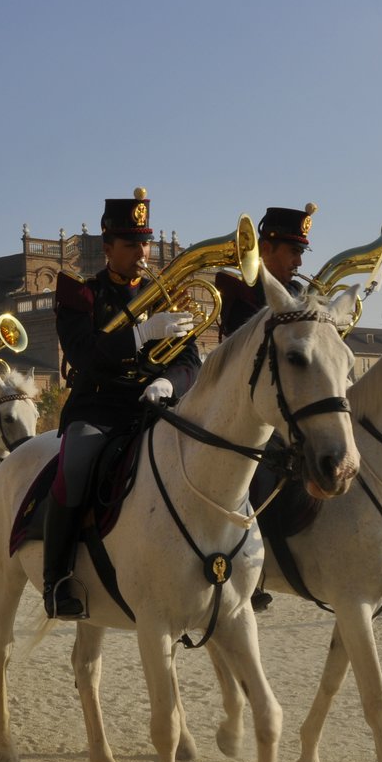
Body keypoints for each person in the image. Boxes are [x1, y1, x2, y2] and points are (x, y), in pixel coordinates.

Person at [45, 187, 201, 620]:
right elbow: (83, 355)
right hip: (98, 407)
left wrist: (169, 383)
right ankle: (55, 579)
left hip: (152, 406)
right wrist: (143, 334)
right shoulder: (81, 295)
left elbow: (191, 360)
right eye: (132, 243)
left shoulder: (164, 294)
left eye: (145, 242)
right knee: (75, 466)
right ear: (107, 247)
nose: (142, 251)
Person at [214, 203, 318, 612]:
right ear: (267, 247)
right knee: (257, 476)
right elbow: (240, 349)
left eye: (301, 254)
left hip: (292, 406)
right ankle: (251, 567)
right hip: (251, 408)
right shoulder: (240, 291)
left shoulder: (298, 294)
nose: (298, 261)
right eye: (293, 251)